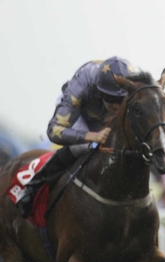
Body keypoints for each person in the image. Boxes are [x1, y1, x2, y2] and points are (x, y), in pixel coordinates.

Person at [16, 56, 134, 217]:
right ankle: (32, 189)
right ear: (100, 90)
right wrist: (90, 136)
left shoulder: (136, 87)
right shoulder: (83, 83)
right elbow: (54, 131)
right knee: (82, 147)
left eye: (121, 99)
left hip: (104, 119)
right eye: (111, 98)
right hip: (78, 114)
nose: (116, 105)